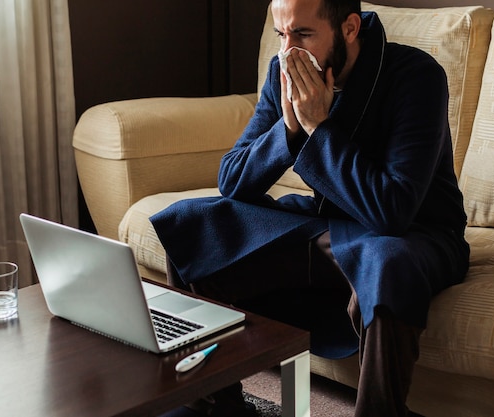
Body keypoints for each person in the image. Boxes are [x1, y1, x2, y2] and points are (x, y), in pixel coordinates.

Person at [150, 0, 470, 415]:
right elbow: (233, 181)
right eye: (282, 34)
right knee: (194, 222)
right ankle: (212, 404)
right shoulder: (283, 70)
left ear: (350, 28)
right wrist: (288, 128)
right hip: (328, 224)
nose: (288, 52)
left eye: (302, 34)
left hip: (416, 233)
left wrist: (319, 126)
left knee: (387, 258)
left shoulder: (416, 76)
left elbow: (392, 211)